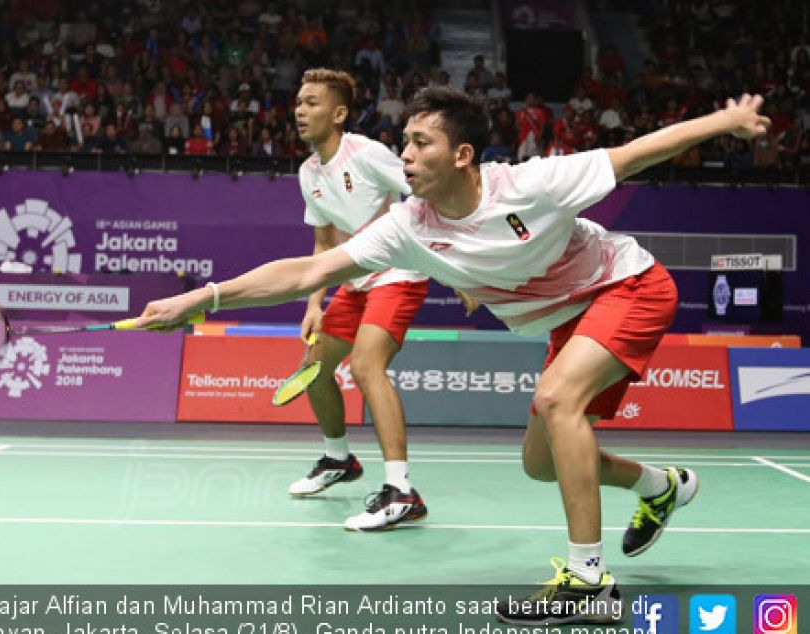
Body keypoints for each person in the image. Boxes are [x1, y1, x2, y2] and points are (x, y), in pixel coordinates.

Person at [134, 87, 770, 623]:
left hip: (627, 287)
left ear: (463, 154)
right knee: (542, 464)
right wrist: (205, 297)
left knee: (556, 401)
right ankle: (663, 487)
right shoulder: (409, 224)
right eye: (404, 142)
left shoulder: (530, 184)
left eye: (420, 143)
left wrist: (729, 121)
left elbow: (635, 154)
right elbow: (311, 269)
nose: (405, 155)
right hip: (566, 319)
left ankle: (588, 583)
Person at [280, 68, 443, 531]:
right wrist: (315, 302)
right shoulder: (308, 172)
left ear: (339, 113)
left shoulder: (367, 153)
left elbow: (428, 191)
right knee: (314, 368)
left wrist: (461, 268)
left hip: (398, 272)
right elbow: (323, 244)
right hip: (354, 281)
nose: (300, 111)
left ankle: (402, 492)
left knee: (367, 365)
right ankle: (339, 460)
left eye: (312, 103)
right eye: (298, 103)